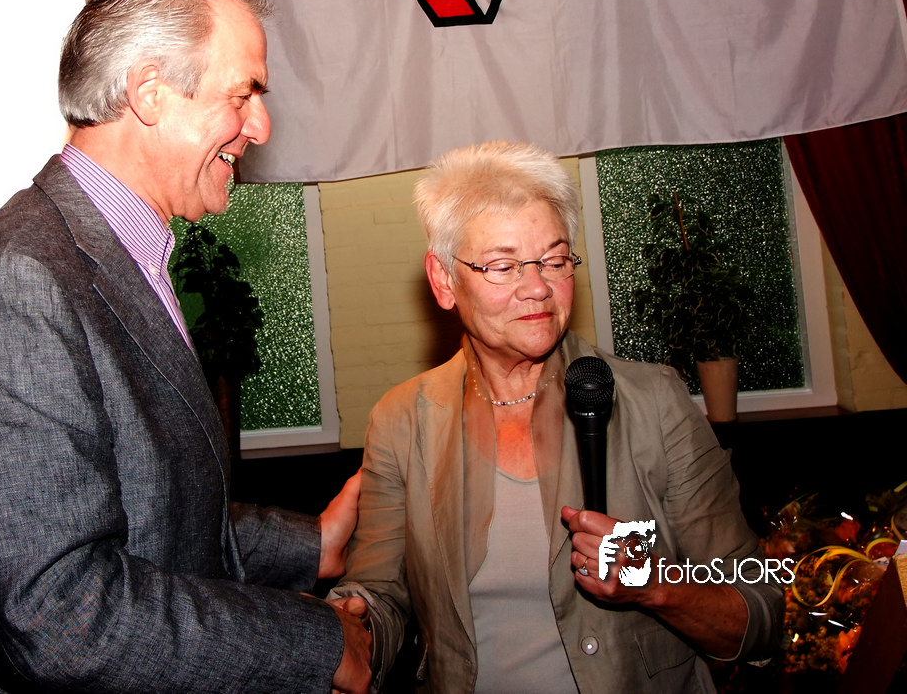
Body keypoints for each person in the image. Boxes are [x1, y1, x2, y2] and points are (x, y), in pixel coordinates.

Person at [0, 0, 371, 693]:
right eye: (243, 94)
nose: (261, 126)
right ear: (151, 93)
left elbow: (155, 517)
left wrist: (313, 544)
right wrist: (317, 642)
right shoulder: (12, 287)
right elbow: (60, 618)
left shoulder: (122, 257)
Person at [330, 140, 783, 693]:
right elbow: (378, 596)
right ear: (444, 280)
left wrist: (656, 585)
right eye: (503, 266)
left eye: (555, 259)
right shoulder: (403, 420)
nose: (538, 287)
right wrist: (336, 630)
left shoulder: (653, 401)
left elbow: (760, 612)